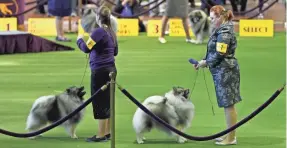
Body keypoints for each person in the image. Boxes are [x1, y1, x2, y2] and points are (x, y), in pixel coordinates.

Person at [194, 5, 241, 145]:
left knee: (229, 105)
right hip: (222, 70)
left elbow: (221, 53)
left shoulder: (224, 32)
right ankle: (229, 134)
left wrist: (206, 63)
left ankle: (231, 138)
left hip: (226, 71)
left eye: (213, 17)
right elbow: (213, 50)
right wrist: (203, 60)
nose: (211, 20)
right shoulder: (221, 29)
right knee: (227, 104)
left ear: (221, 17)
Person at [77, 6, 118, 142]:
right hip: (111, 69)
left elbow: (85, 48)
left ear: (97, 17)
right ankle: (107, 132)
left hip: (100, 71)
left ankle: (100, 135)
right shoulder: (112, 31)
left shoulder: (98, 32)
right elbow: (115, 51)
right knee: (108, 101)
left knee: (99, 102)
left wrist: (79, 39)